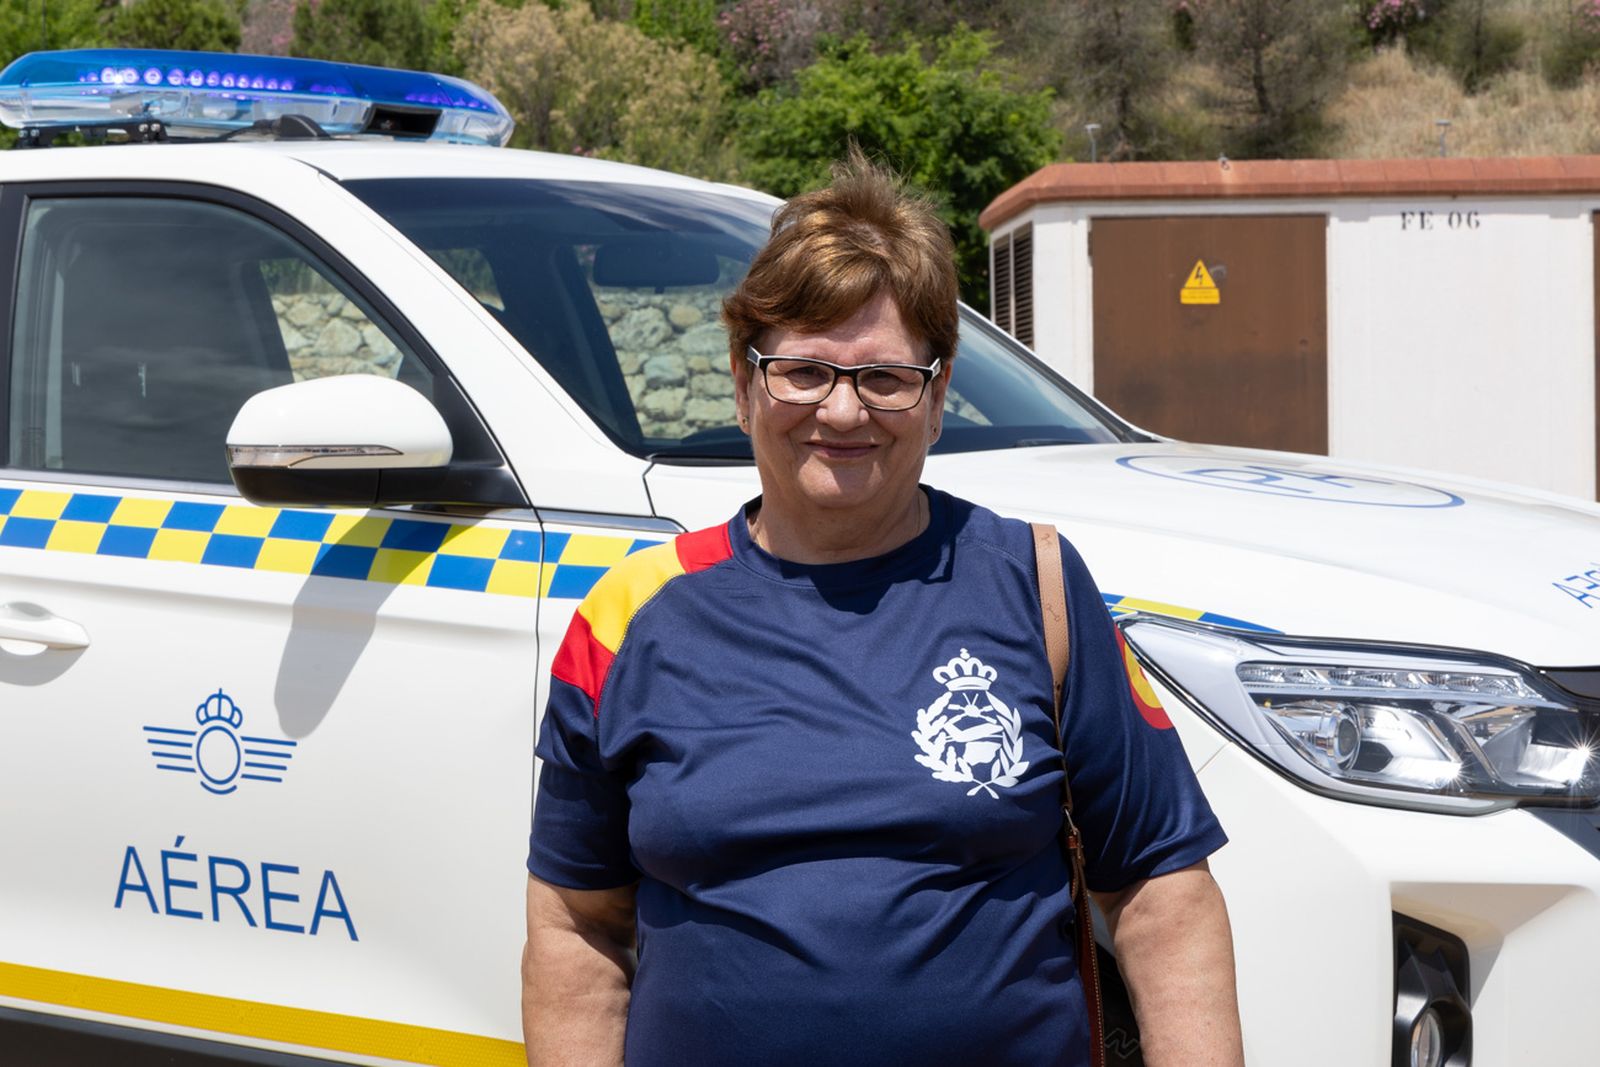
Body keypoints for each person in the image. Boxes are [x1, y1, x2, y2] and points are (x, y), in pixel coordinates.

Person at [522, 152, 1244, 1067]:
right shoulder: (629, 618)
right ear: (746, 388)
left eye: (885, 379)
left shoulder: (1039, 586)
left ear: (938, 399)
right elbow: (576, 924)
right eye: (803, 372)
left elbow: (1160, 893)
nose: (842, 410)